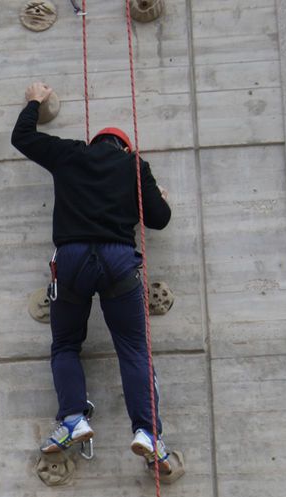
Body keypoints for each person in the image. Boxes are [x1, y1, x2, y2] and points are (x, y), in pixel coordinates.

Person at [11, 81, 174, 473]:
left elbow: (23, 138)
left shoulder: (70, 153)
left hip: (72, 259)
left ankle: (73, 419)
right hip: (118, 260)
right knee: (133, 348)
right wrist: (159, 196)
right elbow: (159, 220)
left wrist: (35, 102)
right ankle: (147, 433)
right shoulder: (136, 167)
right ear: (125, 147)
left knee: (66, 343)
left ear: (96, 140)